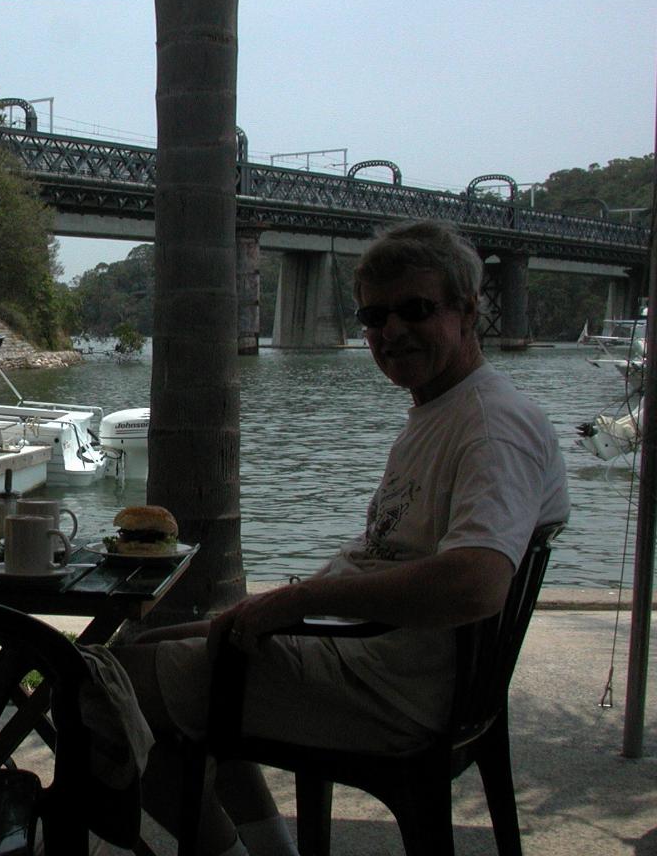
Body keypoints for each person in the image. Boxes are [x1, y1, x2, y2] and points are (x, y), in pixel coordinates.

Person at [114, 220, 570, 856]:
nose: (391, 331)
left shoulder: (492, 426)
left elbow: (476, 580)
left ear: (467, 313)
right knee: (158, 644)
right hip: (366, 653)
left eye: (415, 309)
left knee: (109, 688)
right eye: (375, 316)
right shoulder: (443, 410)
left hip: (391, 690)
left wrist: (294, 602)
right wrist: (285, 607)